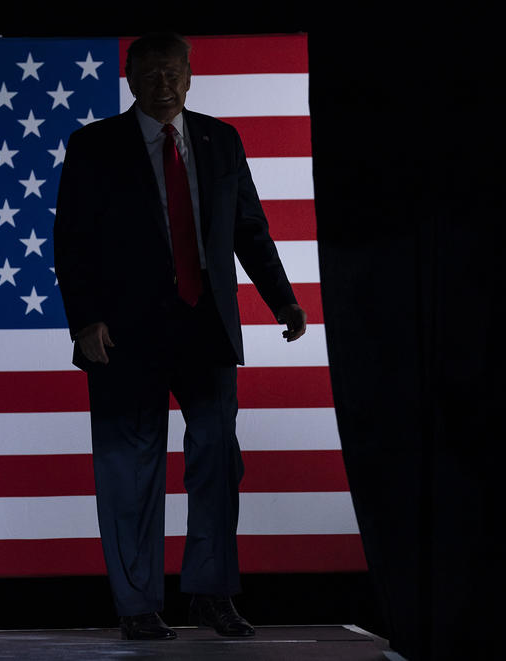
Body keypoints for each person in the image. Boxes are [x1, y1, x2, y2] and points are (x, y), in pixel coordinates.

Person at [53, 32, 307, 641]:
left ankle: (212, 596)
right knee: (128, 471)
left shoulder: (223, 140)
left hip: (206, 331)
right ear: (130, 76)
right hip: (123, 336)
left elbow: (250, 229)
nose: (163, 82)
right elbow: (72, 242)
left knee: (217, 465)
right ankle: (137, 605)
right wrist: (84, 320)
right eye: (150, 72)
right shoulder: (94, 146)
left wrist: (285, 300)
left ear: (189, 76)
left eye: (173, 71)